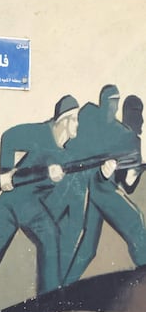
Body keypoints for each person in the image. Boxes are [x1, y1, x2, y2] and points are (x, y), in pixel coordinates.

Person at [0, 94, 80, 294]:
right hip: (11, 203)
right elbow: (9, 137)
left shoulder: (66, 152)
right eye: (75, 119)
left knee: (51, 238)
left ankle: (48, 301)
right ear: (64, 120)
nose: (77, 125)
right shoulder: (40, 133)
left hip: (32, 207)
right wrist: (6, 174)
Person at [62, 86, 146, 284]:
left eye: (139, 114)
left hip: (101, 189)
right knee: (134, 220)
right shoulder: (90, 114)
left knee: (88, 248)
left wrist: (133, 174)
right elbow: (71, 145)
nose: (140, 119)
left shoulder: (131, 141)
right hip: (85, 182)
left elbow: (127, 186)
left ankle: (62, 287)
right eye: (109, 100)